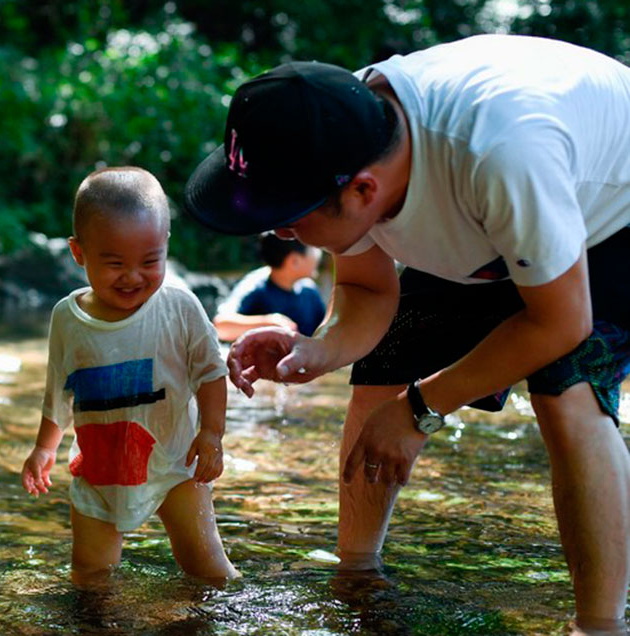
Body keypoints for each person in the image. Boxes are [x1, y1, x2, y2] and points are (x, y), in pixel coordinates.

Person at [182, 34, 630, 635]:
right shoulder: (342, 126)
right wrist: (318, 349)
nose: (281, 235)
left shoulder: (503, 155)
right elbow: (368, 293)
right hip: (486, 212)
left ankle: (600, 625)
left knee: (565, 394)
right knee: (383, 367)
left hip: (610, 213)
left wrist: (422, 408)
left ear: (363, 191)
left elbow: (559, 323)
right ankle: (357, 579)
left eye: (287, 218)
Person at [20, 166, 239, 586]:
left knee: (207, 569)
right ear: (78, 252)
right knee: (90, 574)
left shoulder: (179, 307)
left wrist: (212, 433)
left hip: (176, 464)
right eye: (115, 263)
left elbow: (211, 372)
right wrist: (44, 448)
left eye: (150, 261)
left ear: (166, 245)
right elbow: (59, 391)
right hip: (100, 470)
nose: (133, 276)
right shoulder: (68, 318)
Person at [213, 233, 326, 341]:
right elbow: (221, 326)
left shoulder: (309, 290)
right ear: (294, 261)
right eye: (312, 248)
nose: (318, 252)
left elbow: (325, 331)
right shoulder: (255, 286)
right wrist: (269, 323)